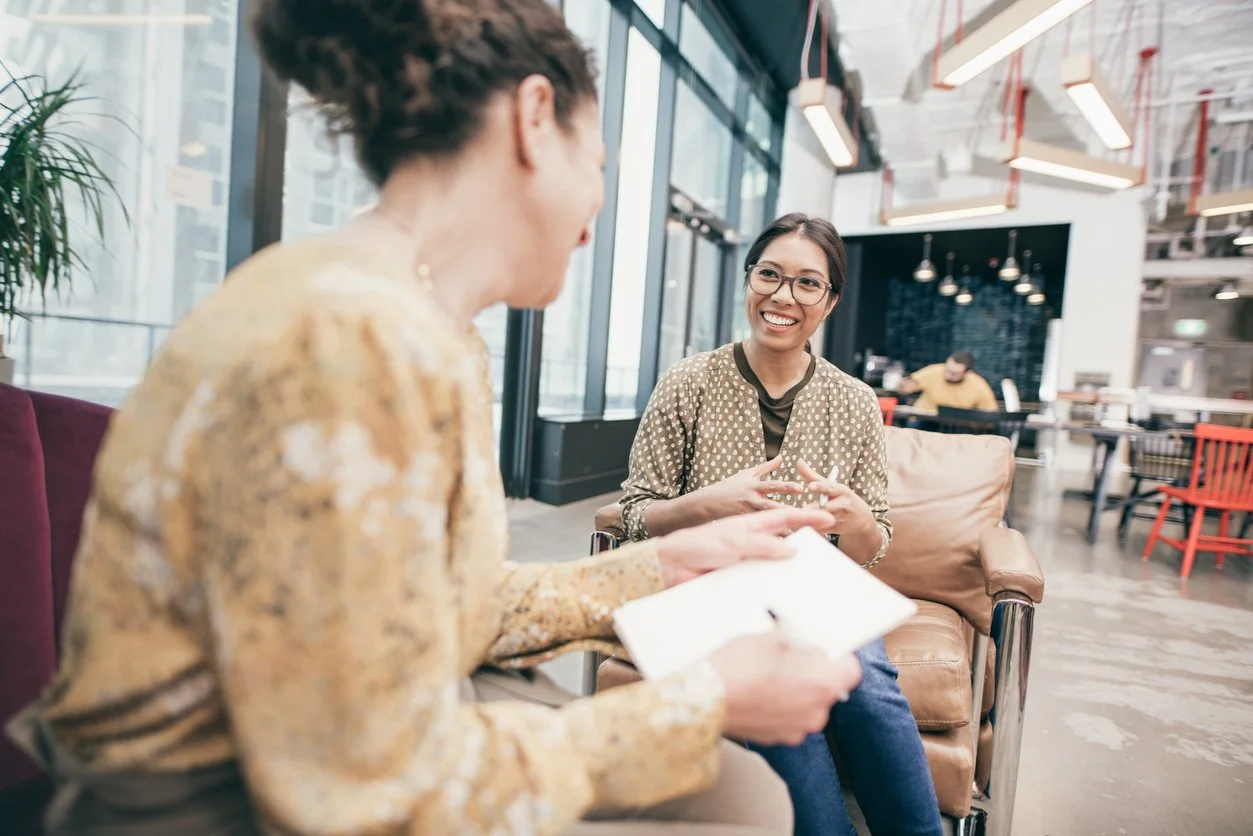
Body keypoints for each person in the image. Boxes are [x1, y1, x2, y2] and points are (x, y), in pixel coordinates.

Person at [4, 3, 863, 834]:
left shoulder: (419, 325)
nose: (593, 223)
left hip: (362, 732)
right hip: (224, 801)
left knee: (740, 794)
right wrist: (702, 702)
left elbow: (447, 600)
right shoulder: (348, 342)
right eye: (597, 167)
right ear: (533, 117)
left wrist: (663, 562)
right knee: (741, 802)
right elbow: (358, 783)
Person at [620, 213, 944, 836]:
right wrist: (708, 503)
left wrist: (852, 520)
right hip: (706, 585)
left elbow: (875, 541)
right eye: (769, 274)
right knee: (780, 697)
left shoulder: (852, 402)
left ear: (830, 300)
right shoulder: (688, 382)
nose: (782, 297)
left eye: (806, 284)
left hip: (809, 585)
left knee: (871, 687)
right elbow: (634, 515)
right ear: (749, 279)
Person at [897, 351, 1000, 411]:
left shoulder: (979, 386)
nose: (948, 375)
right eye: (947, 370)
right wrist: (903, 386)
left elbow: (990, 413)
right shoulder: (934, 371)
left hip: (956, 425)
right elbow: (906, 386)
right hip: (925, 418)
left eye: (954, 374)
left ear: (967, 373)